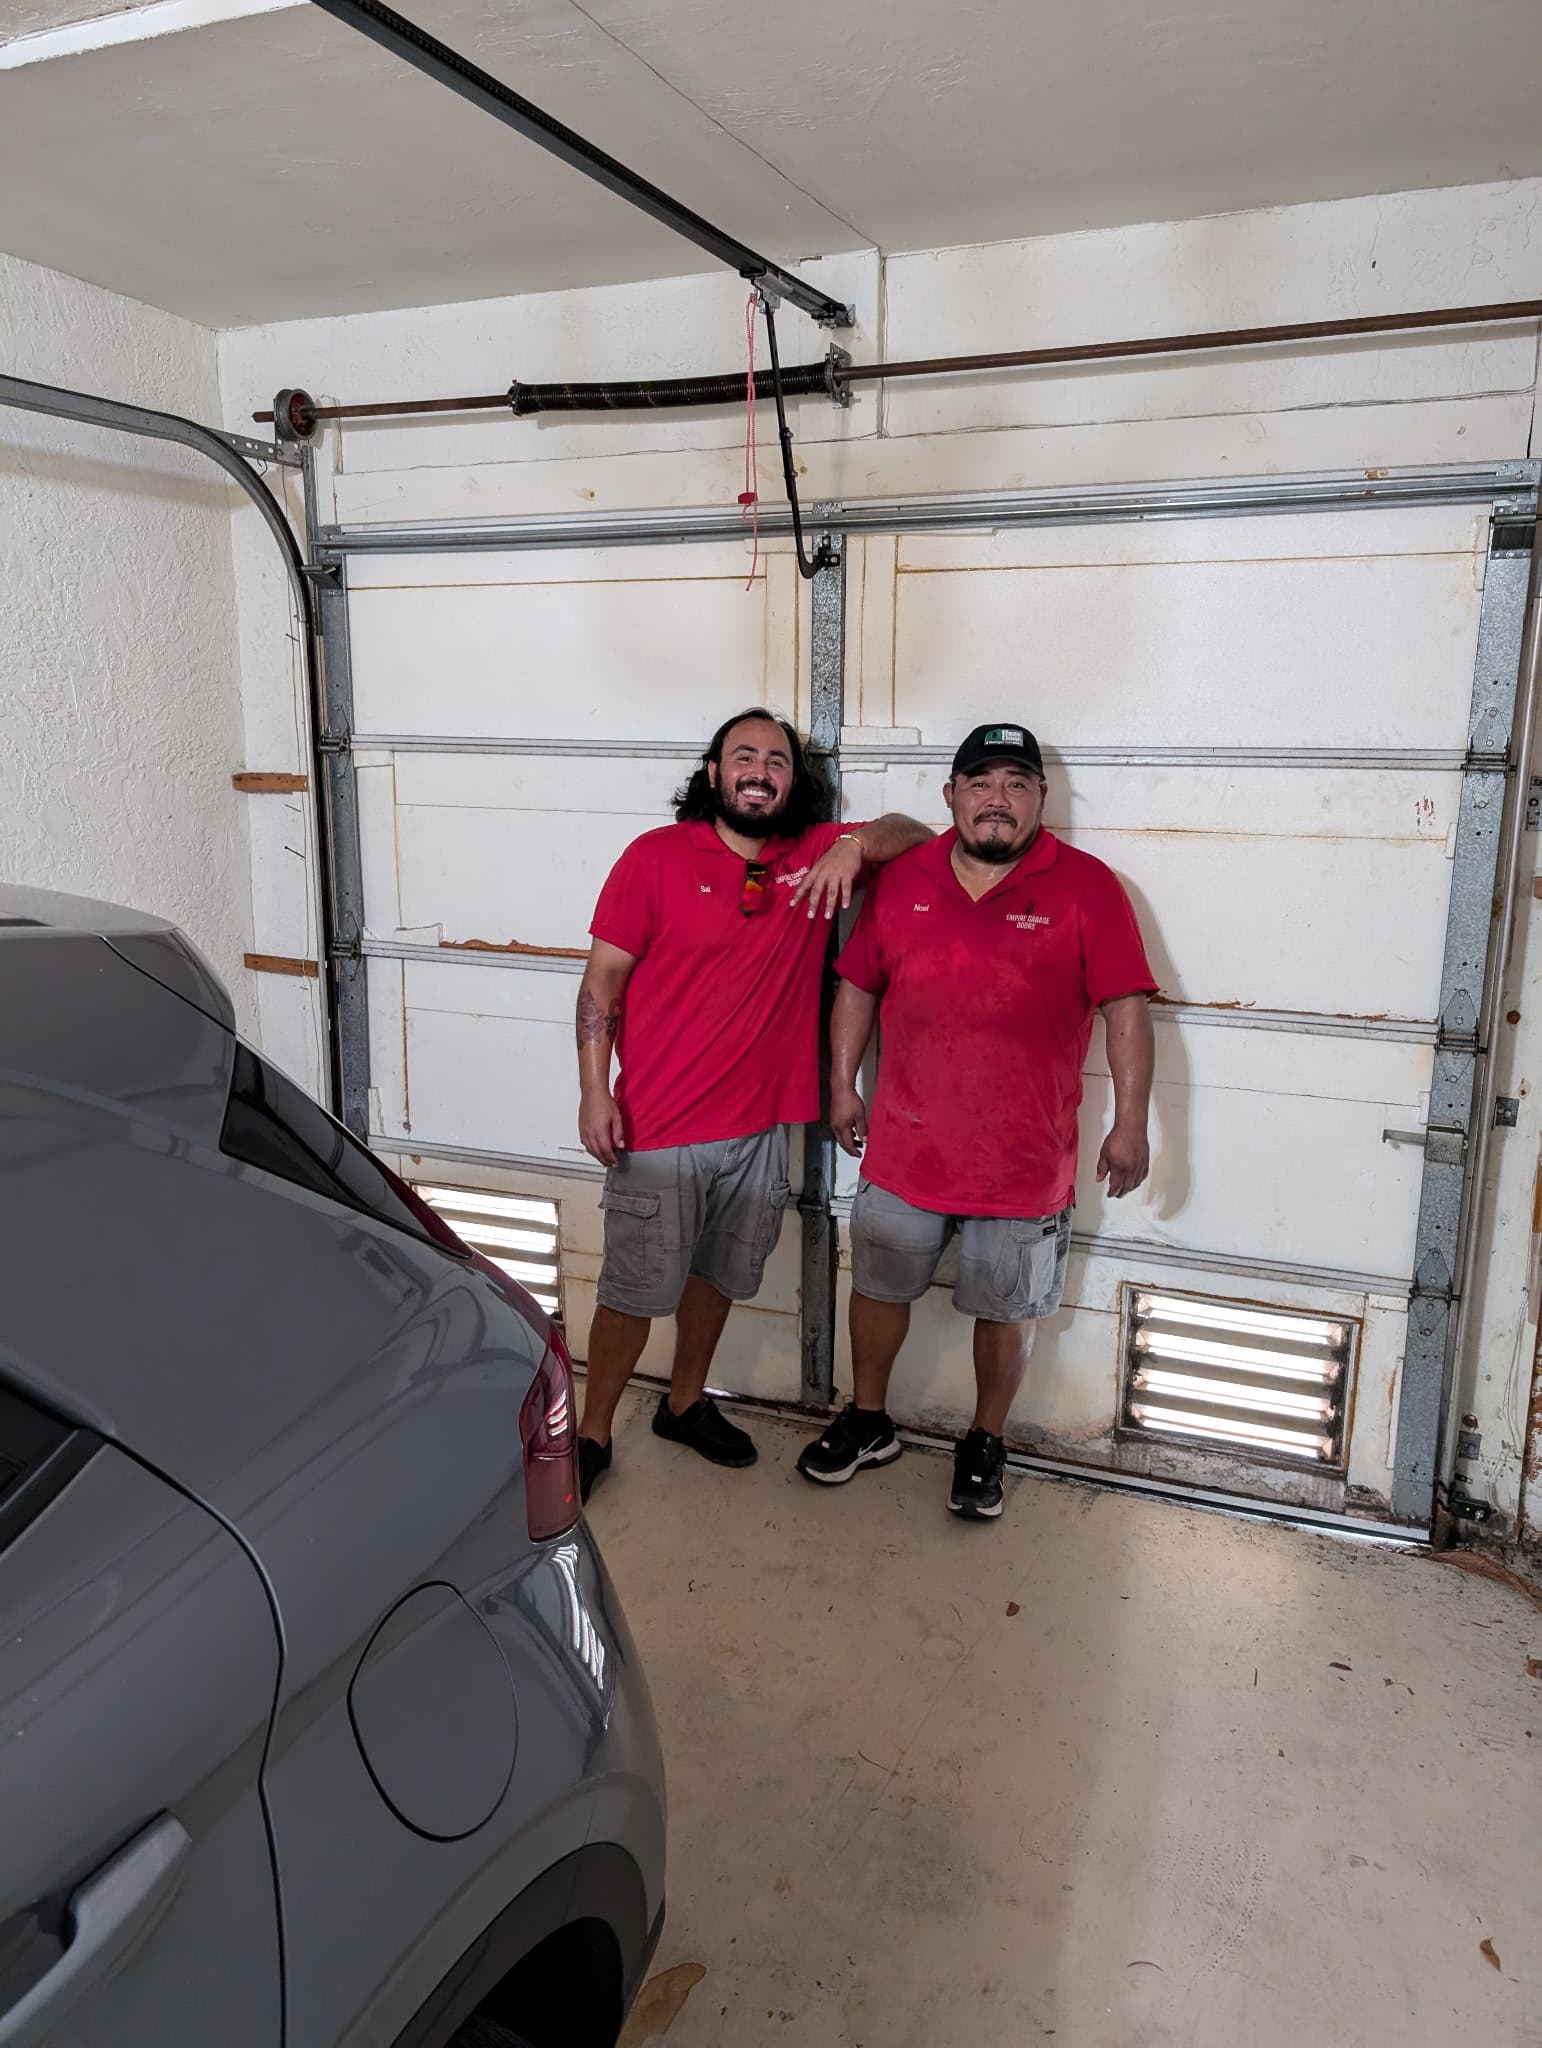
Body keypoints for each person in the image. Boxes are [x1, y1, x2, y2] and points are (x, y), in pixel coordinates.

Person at [796, 721, 1157, 1521]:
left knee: (1008, 1308)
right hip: (906, 1149)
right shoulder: (905, 877)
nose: (999, 799)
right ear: (952, 795)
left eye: (1016, 784)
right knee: (878, 1287)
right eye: (982, 783)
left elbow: (1126, 1010)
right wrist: (842, 1086)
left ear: (1040, 799)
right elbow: (858, 986)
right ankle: (868, 1418)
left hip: (1024, 1162)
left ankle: (985, 1438)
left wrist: (1131, 1122)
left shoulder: (1089, 887)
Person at [574, 707, 932, 1499]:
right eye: (744, 757)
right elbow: (602, 984)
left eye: (776, 761)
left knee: (718, 1278)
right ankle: (591, 1433)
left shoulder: (813, 853)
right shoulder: (654, 858)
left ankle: (684, 1403)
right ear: (714, 774)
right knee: (632, 1293)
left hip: (762, 1130)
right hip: (659, 1126)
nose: (760, 773)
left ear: (791, 782)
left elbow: (915, 834)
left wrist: (853, 846)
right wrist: (595, 1092)